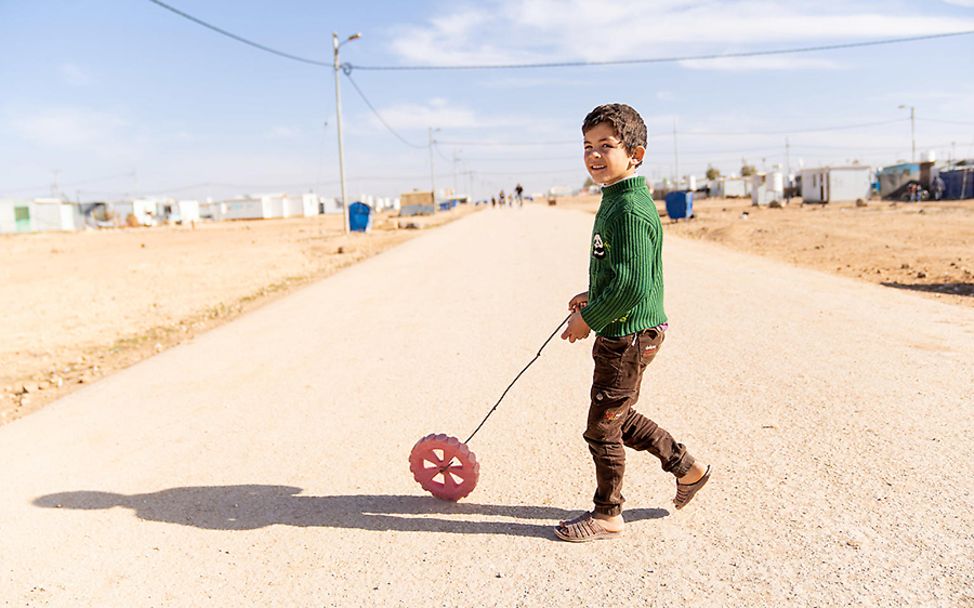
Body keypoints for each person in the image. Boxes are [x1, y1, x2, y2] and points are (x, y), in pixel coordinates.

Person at [555, 103, 711, 542]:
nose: (594, 155)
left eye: (607, 145)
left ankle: (607, 514)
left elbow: (633, 288)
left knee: (601, 426)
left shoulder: (629, 209)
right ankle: (689, 468)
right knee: (617, 414)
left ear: (636, 153)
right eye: (588, 146)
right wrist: (594, 294)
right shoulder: (617, 198)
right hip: (625, 328)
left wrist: (589, 318)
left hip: (627, 333)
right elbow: (620, 271)